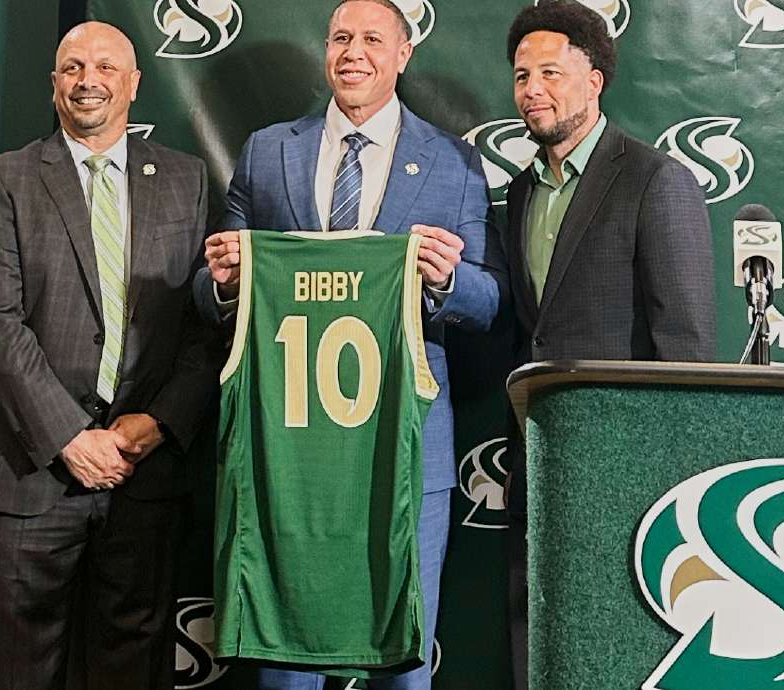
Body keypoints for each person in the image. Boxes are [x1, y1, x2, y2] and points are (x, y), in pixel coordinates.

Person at [194, 1, 505, 688]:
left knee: (403, 658)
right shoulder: (269, 150)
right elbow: (210, 290)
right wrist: (221, 284)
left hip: (407, 449)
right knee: (286, 655)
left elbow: (488, 301)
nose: (352, 52)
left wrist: (447, 282)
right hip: (291, 453)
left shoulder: (454, 164)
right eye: (340, 38)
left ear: (403, 54)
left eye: (371, 39)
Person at [0, 21, 217, 690]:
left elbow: (204, 328)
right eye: (71, 68)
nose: (86, 79)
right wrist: (70, 437)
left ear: (134, 83)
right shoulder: (3, 180)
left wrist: (154, 425)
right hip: (28, 472)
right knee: (22, 672)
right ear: (53, 86)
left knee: (134, 666)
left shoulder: (185, 181)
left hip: (144, 475)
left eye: (103, 66)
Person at [502, 2, 717, 687]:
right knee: (535, 633)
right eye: (521, 75)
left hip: (628, 467)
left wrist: (663, 471)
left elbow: (685, 344)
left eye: (551, 73)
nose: (533, 88)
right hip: (537, 457)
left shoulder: (656, 180)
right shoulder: (517, 192)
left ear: (594, 80)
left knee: (620, 640)